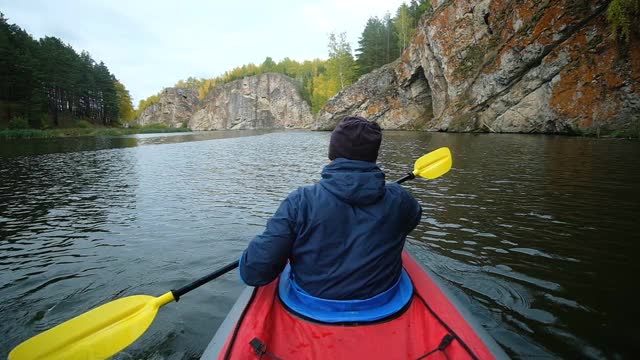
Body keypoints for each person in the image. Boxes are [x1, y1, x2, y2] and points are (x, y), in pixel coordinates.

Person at [239, 116, 421, 312]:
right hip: (382, 299)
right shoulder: (400, 199)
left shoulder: (300, 201)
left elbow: (253, 273)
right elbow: (412, 220)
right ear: (373, 157)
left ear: (332, 156)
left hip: (312, 301)